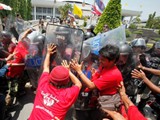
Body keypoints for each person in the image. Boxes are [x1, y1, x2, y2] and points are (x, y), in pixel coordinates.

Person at [29, 43, 82, 120]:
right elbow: (78, 84)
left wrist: (48, 53)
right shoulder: (67, 95)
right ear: (67, 82)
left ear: (50, 77)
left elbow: (46, 67)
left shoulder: (43, 85)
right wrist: (68, 71)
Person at [70, 44, 123, 119]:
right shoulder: (104, 66)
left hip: (108, 102)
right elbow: (96, 76)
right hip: (99, 98)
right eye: (100, 58)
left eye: (103, 60)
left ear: (113, 61)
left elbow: (91, 86)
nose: (100, 61)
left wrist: (79, 71)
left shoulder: (113, 74)